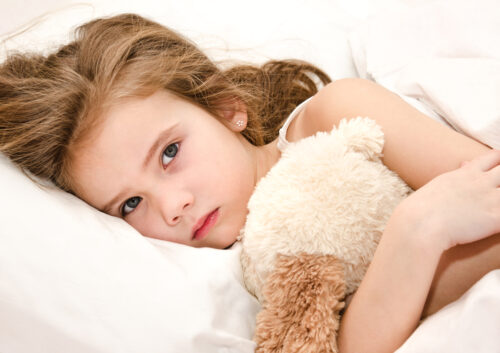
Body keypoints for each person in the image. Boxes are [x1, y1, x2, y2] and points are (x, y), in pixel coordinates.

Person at [0, 13, 499, 353]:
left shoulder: (332, 117)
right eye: (131, 204)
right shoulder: (245, 269)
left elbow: (488, 193)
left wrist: (417, 235)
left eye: (170, 153)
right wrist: (417, 235)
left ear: (225, 108)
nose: (173, 206)